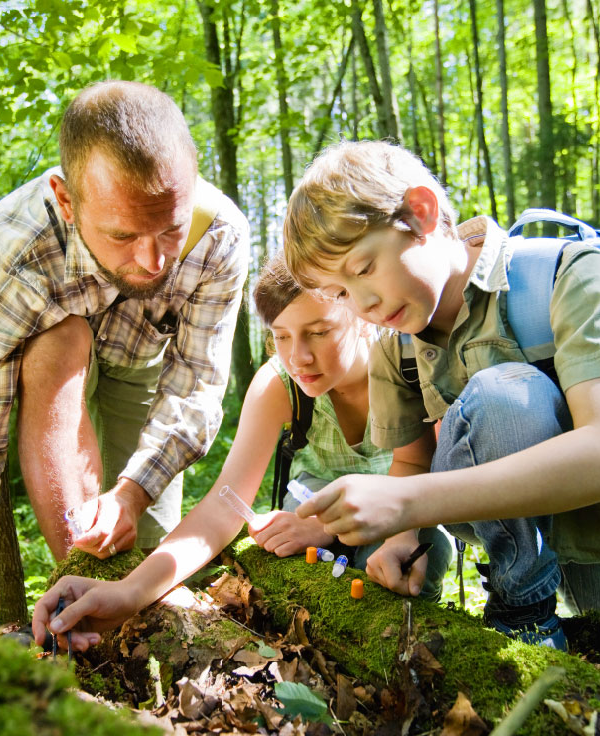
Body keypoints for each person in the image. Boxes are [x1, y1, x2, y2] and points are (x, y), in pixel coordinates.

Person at [281, 140, 600, 649]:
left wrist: (407, 503)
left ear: (421, 212)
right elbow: (411, 463)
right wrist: (402, 537)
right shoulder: (396, 346)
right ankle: (523, 612)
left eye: (364, 268)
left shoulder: (566, 274)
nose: (365, 304)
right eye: (342, 294)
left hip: (595, 529)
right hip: (503, 544)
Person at [0, 81, 249, 620]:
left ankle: (144, 654)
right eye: (123, 235)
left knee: (148, 550)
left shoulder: (220, 236)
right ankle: (79, 598)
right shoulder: (8, 251)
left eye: (170, 228)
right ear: (67, 201)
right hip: (51, 370)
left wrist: (132, 494)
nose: (153, 261)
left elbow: (195, 385)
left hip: (144, 367)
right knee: (61, 338)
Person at [32, 254, 450, 651]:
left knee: (425, 551)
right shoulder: (279, 384)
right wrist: (129, 593)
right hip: (309, 508)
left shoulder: (406, 366)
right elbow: (222, 508)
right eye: (281, 336)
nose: (299, 357)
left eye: (319, 332)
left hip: (398, 509)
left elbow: (421, 470)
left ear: (360, 314)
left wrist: (330, 529)